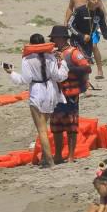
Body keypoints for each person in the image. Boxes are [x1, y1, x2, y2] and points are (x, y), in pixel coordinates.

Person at [6, 33, 68, 168]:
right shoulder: (51, 57)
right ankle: (45, 158)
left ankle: (49, 160)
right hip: (51, 91)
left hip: (37, 91)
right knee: (44, 127)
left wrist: (11, 73)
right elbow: (59, 76)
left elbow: (25, 80)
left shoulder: (27, 59)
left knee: (41, 129)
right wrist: (62, 62)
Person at [49, 25, 91, 164]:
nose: (53, 40)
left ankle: (71, 156)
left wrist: (67, 66)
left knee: (71, 126)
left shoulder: (73, 52)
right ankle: (58, 155)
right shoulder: (51, 53)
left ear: (62, 38)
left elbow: (87, 68)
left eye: (55, 38)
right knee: (56, 126)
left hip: (70, 95)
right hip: (56, 95)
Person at [69, 0, 107, 80]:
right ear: (88, 0)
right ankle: (80, 83)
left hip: (89, 41)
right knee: (78, 61)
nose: (96, 1)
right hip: (76, 40)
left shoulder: (99, 13)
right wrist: (81, 35)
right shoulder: (79, 10)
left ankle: (85, 83)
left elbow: (104, 28)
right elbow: (70, 25)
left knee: (86, 63)